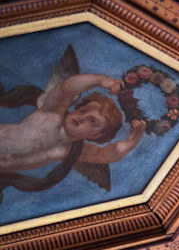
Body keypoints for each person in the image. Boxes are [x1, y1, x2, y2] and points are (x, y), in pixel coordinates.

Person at [0, 49, 145, 195]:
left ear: (95, 135)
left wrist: (132, 141)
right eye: (83, 111)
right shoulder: (52, 115)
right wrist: (100, 80)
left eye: (92, 122)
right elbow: (66, 89)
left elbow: (105, 154)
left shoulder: (71, 151)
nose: (81, 118)